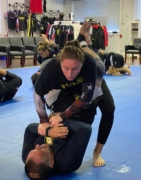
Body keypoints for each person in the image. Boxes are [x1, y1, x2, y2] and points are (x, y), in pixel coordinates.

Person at [34, 22, 115, 167]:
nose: (70, 73)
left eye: (75, 68)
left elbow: (88, 97)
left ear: (82, 64)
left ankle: (97, 152)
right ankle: (80, 41)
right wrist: (44, 121)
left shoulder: (91, 65)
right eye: (66, 68)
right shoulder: (50, 70)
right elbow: (39, 97)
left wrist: (63, 115)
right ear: (60, 64)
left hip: (91, 78)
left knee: (109, 108)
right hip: (70, 83)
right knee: (67, 111)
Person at [22, 119, 92, 179]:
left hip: (52, 116)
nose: (37, 146)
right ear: (51, 163)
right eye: (41, 151)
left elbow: (29, 129)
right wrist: (59, 121)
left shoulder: (28, 156)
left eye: (34, 149)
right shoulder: (66, 162)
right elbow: (85, 129)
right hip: (76, 117)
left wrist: (48, 131)